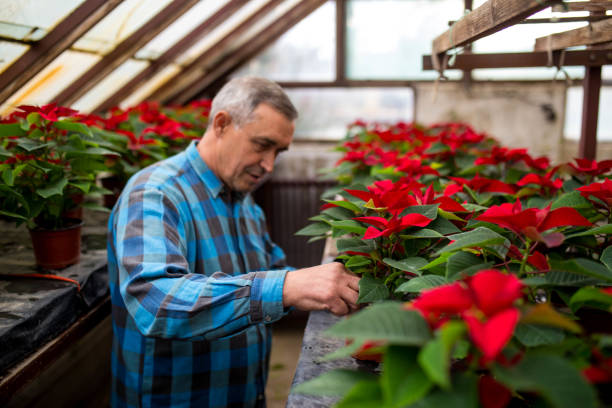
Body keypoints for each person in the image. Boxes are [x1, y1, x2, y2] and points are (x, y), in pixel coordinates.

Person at [107, 76, 360, 408]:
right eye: (261, 144)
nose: (269, 165)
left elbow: (271, 271)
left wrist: (325, 286)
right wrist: (285, 287)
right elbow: (155, 301)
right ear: (222, 124)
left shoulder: (244, 203)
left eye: (278, 151)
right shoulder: (155, 194)